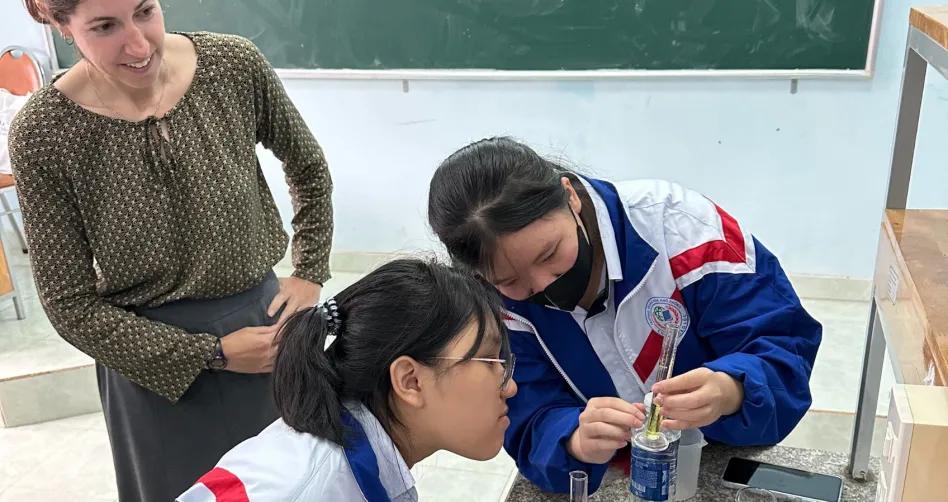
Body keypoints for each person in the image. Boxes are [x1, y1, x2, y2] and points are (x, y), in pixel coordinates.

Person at [10, 1, 332, 500]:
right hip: (152, 363)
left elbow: (308, 166)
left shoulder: (232, 65)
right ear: (61, 26)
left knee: (291, 485)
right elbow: (68, 303)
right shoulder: (45, 132)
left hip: (266, 336)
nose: (139, 44)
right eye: (105, 27)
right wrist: (212, 354)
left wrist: (310, 269)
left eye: (145, 11)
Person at [427, 137, 822, 493]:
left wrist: (730, 389)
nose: (545, 285)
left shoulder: (682, 229)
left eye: (550, 254)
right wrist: (573, 439)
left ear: (570, 197)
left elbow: (783, 347)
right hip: (616, 476)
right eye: (511, 280)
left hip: (718, 459)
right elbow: (526, 417)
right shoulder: (491, 304)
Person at [177, 258, 518, 501]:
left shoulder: (356, 460)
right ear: (410, 381)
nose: (511, 386)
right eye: (491, 361)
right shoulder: (309, 488)